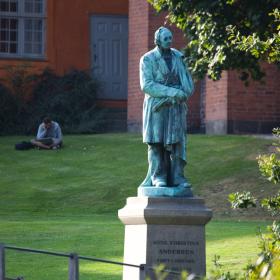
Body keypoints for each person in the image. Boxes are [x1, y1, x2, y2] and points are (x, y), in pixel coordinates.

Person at [139, 26, 194, 188]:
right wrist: (172, 92)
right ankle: (158, 176)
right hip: (157, 107)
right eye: (166, 39)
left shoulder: (179, 57)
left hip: (176, 107)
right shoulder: (147, 59)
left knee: (177, 143)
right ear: (157, 41)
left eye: (170, 38)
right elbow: (147, 85)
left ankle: (177, 176)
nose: (169, 41)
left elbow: (187, 81)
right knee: (156, 142)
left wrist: (182, 93)